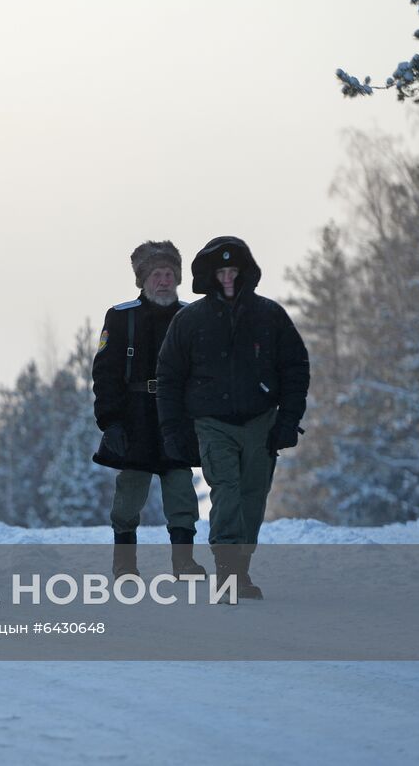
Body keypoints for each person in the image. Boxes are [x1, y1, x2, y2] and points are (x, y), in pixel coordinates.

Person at [156, 236, 311, 600]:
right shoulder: (189, 321)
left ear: (245, 273)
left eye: (233, 271)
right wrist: (173, 430)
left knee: (253, 496)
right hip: (212, 423)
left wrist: (289, 420)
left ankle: (241, 568)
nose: (227, 278)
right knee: (226, 492)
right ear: (210, 277)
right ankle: (226, 573)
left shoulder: (269, 315)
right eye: (221, 272)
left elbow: (295, 368)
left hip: (261, 422)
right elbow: (169, 378)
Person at [90, 241, 204, 580]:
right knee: (128, 497)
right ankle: (124, 564)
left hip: (177, 417)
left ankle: (184, 562)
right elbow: (105, 374)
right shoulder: (121, 316)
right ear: (143, 280)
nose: (164, 280)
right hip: (134, 418)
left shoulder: (191, 317)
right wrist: (109, 421)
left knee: (181, 491)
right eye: (157, 274)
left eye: (169, 274)